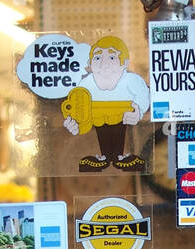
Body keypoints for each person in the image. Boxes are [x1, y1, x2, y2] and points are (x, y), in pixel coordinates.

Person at [61, 35, 151, 172]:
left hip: (122, 116)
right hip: (98, 118)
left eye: (112, 57)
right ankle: (105, 157)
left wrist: (138, 111)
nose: (104, 64)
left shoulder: (132, 81)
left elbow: (143, 95)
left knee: (119, 131)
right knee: (102, 131)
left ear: (125, 63)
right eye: (98, 58)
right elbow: (77, 104)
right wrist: (74, 122)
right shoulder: (85, 84)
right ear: (90, 63)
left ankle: (119, 156)